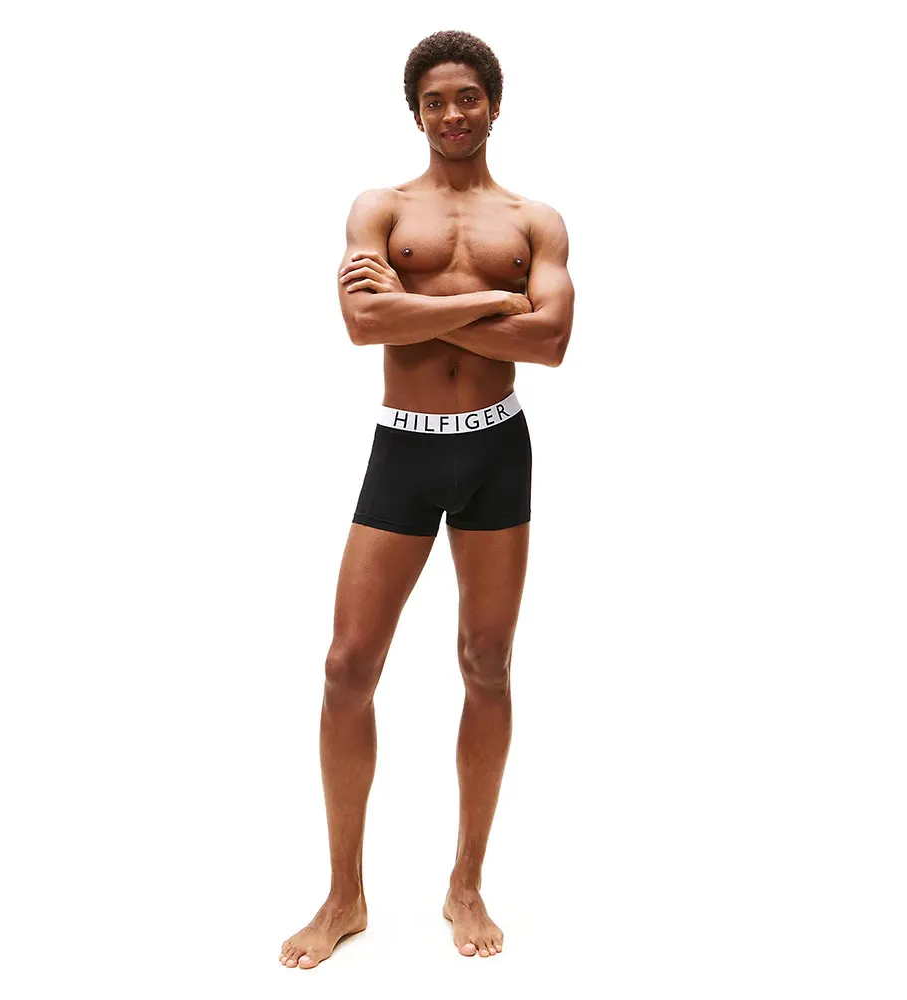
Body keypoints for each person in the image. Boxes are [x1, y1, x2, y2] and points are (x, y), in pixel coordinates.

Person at [279, 29, 574, 970]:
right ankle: (345, 895)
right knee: (346, 667)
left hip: (496, 450)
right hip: (403, 450)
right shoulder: (381, 207)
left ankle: (466, 883)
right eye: (436, 100)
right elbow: (362, 323)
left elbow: (552, 343)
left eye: (468, 97)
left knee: (486, 663)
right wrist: (493, 304)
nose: (453, 113)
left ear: (495, 105)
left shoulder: (534, 220)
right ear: (416, 112)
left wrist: (419, 309)